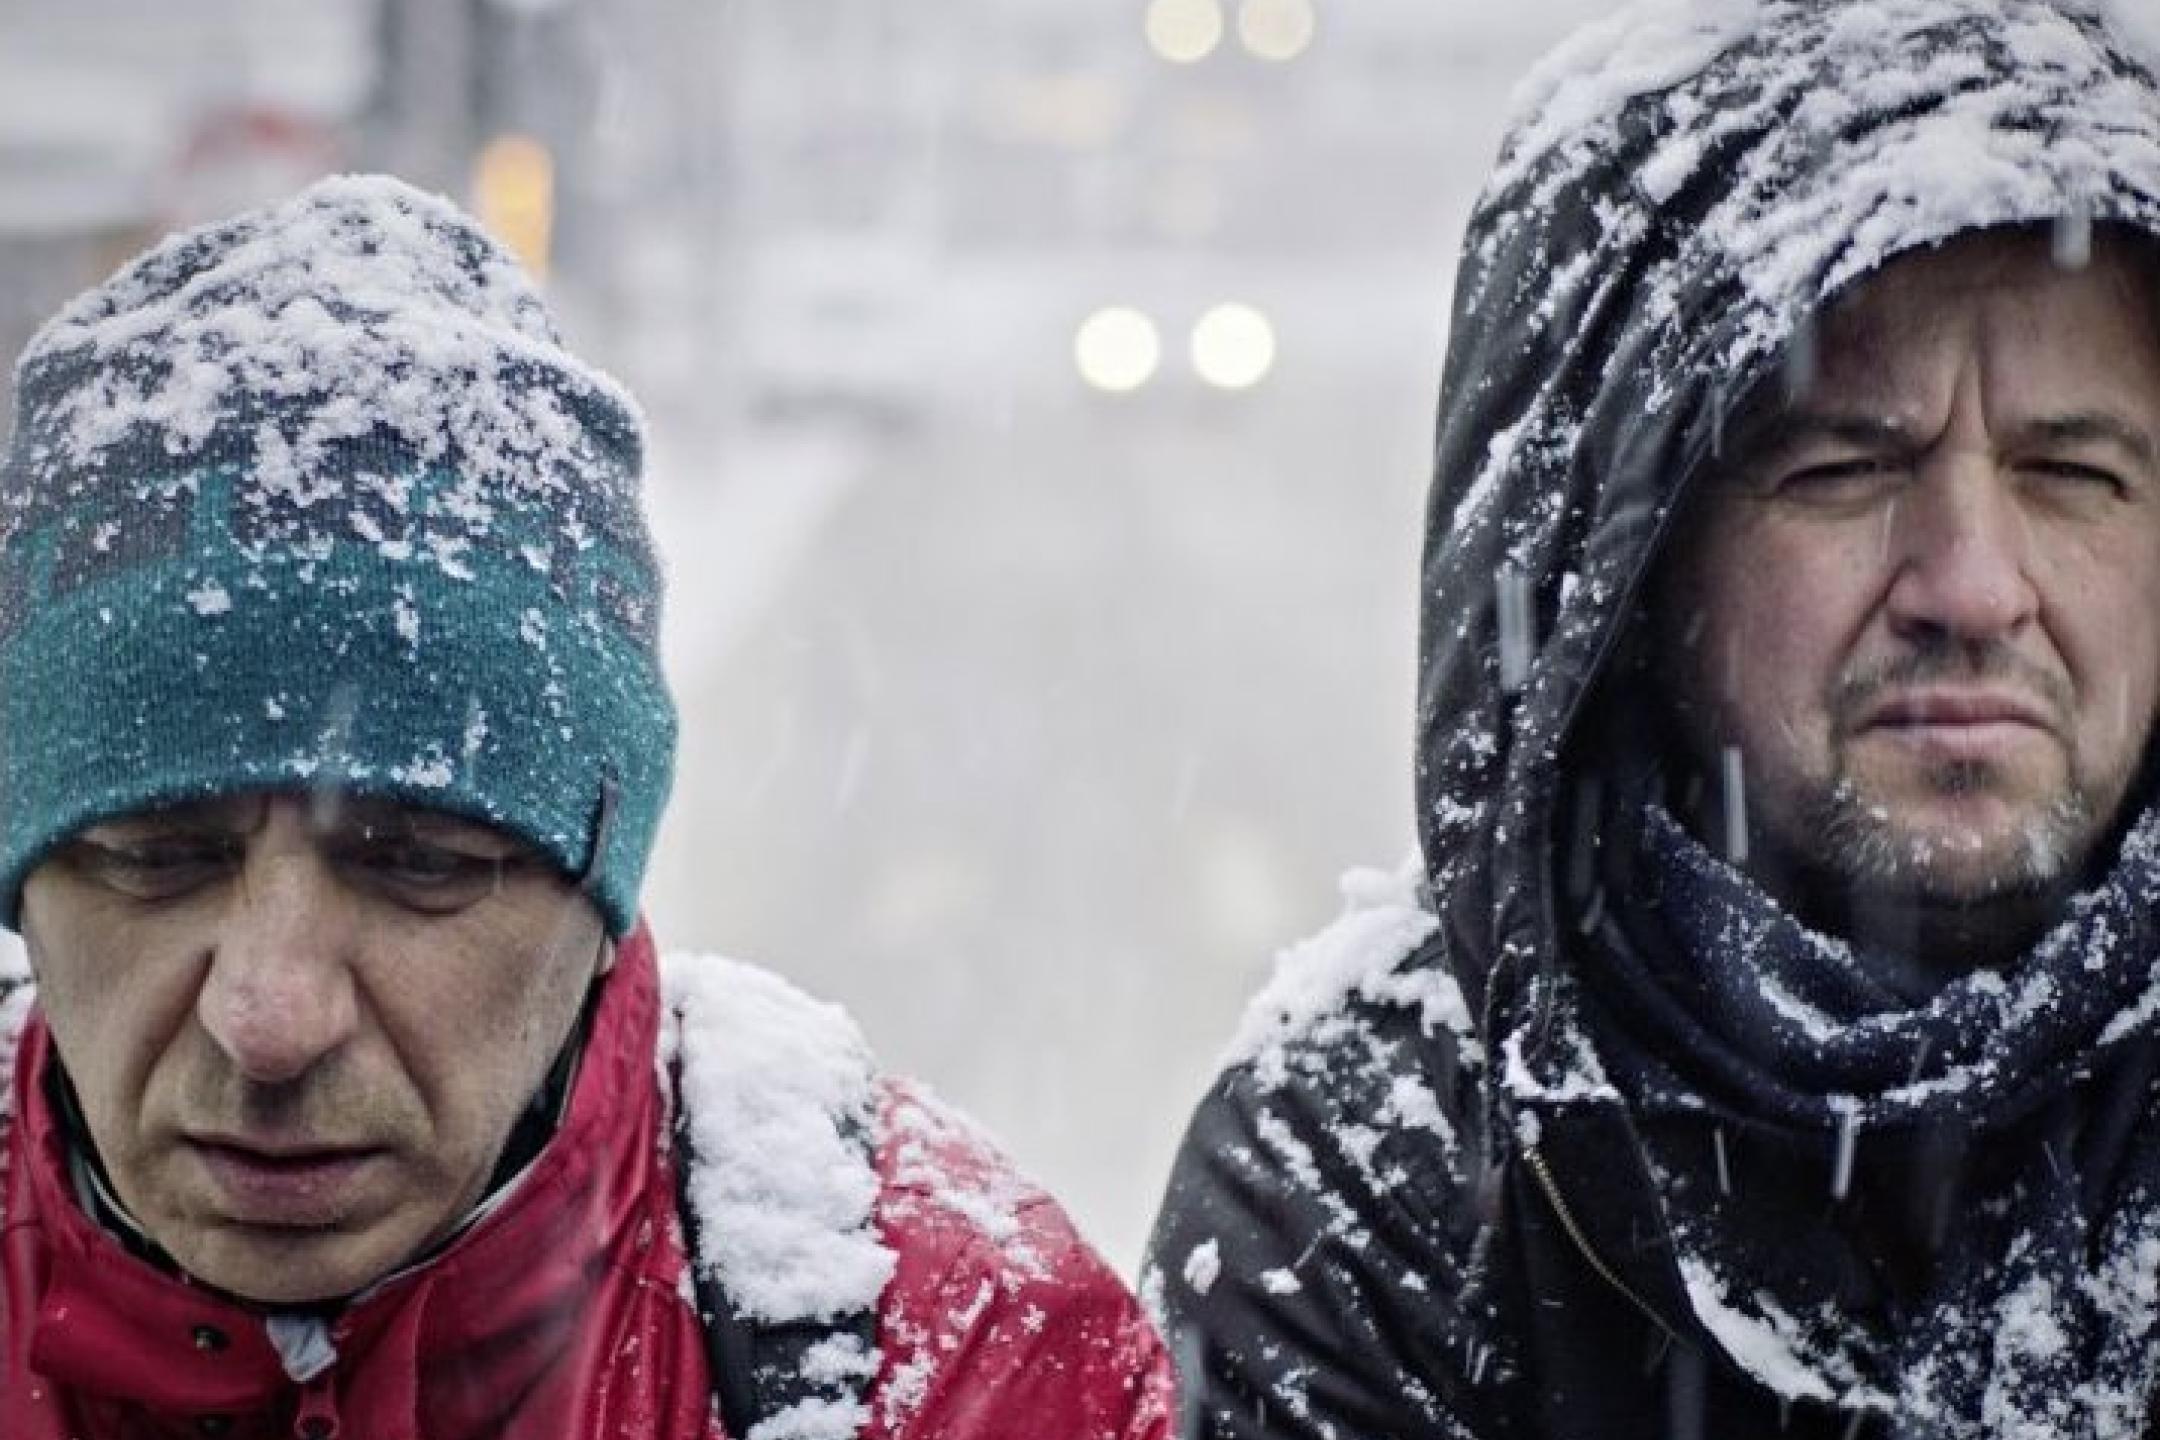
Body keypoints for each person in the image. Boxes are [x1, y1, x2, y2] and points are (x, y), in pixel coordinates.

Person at [0, 174, 1174, 1440]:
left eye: (421, 864)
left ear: (602, 894)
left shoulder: (964, 1368)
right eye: (151, 855)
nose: (270, 1020)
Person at [1144, 2, 2160, 1437]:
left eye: (2073, 473)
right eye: (1844, 469)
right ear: (1631, 565)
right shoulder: (1379, 1184)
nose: (1974, 586)